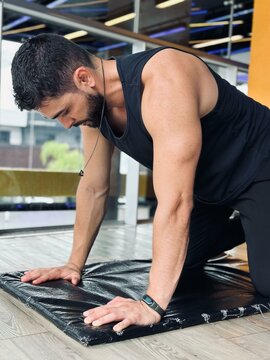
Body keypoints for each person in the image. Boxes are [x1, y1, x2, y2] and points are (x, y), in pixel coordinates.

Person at [11, 33, 270, 333]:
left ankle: (257, 218)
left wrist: (152, 304)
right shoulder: (93, 109)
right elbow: (94, 187)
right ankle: (251, 224)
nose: (66, 124)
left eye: (65, 112)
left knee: (266, 281)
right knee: (179, 268)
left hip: (259, 169)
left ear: (84, 78)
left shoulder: (163, 79)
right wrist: (73, 264)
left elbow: (175, 202)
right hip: (210, 190)